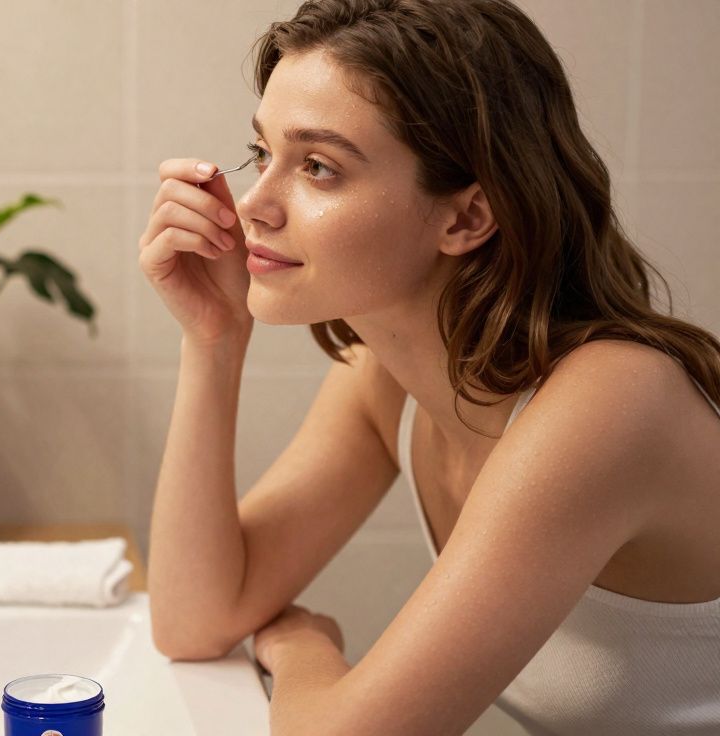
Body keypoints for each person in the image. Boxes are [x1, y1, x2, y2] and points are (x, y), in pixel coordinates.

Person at [138, 0, 720, 733]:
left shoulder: (612, 401)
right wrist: (215, 340)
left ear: (467, 218)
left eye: (317, 167)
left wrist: (301, 645)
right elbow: (194, 621)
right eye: (262, 154)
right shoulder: (384, 378)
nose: (254, 204)